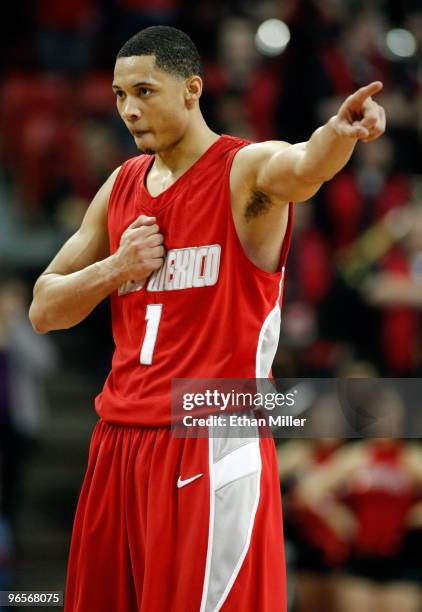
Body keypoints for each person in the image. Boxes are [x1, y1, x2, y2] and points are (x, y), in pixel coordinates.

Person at [29, 25, 386, 612]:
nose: (128, 110)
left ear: (192, 89)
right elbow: (45, 308)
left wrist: (338, 135)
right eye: (120, 95)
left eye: (144, 91)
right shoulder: (120, 185)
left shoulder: (243, 170)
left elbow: (301, 165)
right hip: (118, 438)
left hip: (207, 436)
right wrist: (117, 267)